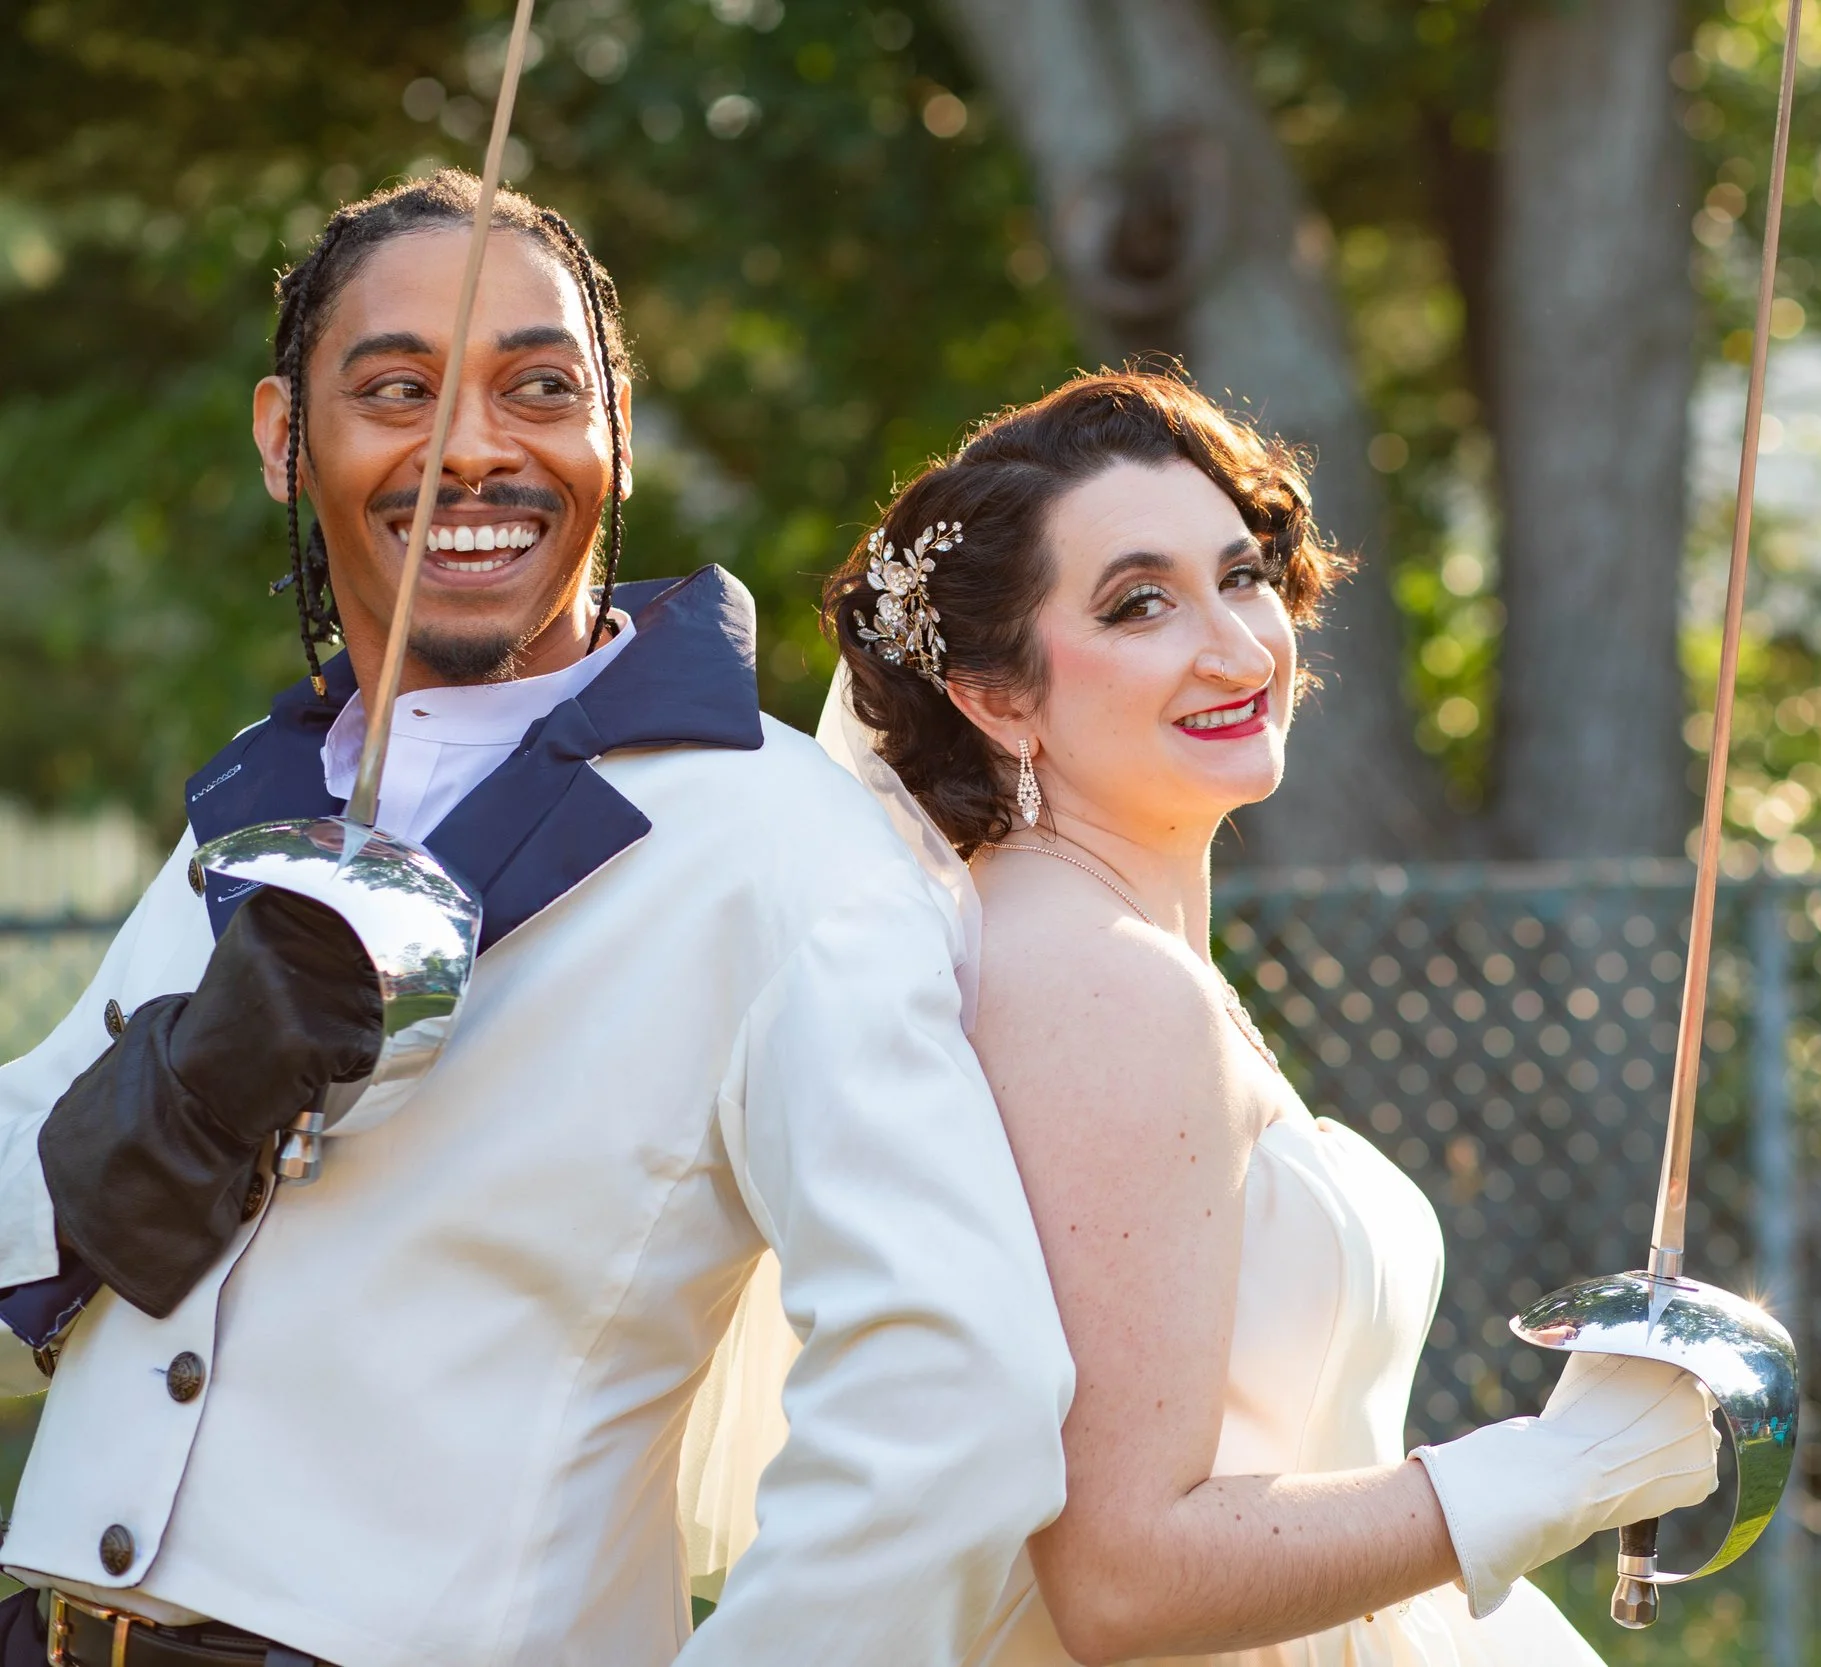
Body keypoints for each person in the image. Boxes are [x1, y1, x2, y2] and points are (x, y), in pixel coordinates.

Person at [0, 170, 1072, 1667]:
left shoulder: (780, 847)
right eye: (396, 389)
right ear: (280, 439)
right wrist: (177, 1094)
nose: (475, 448)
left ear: (614, 426)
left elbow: (964, 1394)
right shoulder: (241, 815)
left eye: (541, 387)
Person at [813, 370, 1723, 1665]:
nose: (1240, 648)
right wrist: (1556, 1468)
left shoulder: (1081, 938)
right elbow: (1123, 1574)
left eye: (1240, 576)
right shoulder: (1097, 977)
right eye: (1140, 605)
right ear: (996, 694)